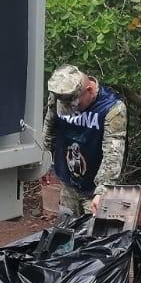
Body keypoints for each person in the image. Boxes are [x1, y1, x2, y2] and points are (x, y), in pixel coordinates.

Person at [42, 65, 127, 223]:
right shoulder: (60, 95)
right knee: (66, 232)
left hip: (95, 187)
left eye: (76, 105)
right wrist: (43, 161)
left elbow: (113, 153)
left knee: (95, 238)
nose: (70, 109)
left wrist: (103, 191)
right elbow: (49, 126)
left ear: (88, 90)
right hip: (68, 181)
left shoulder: (112, 108)